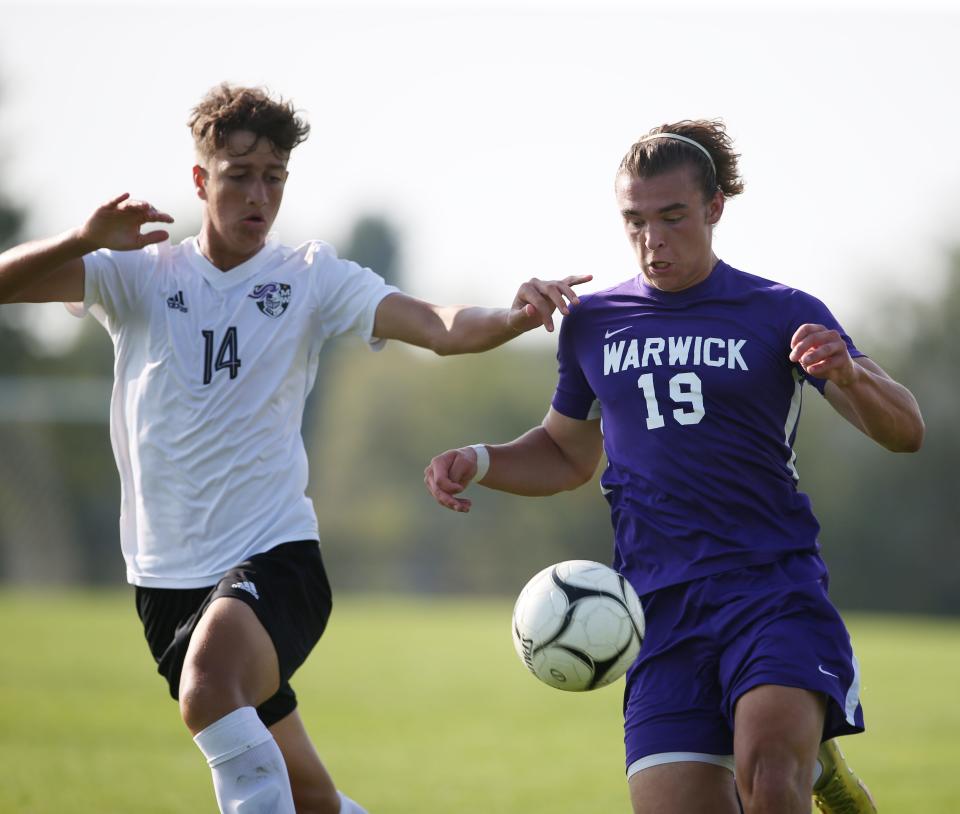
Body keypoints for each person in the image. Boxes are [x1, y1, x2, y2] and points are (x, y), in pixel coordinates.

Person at [0, 83, 590, 814]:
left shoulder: (308, 278)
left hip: (276, 559)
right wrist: (84, 240)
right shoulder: (139, 275)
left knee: (211, 687)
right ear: (199, 180)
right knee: (311, 798)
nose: (258, 195)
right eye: (239, 176)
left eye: (273, 178)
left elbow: (439, 325)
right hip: (163, 578)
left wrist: (511, 314)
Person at [424, 120, 924, 814]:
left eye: (672, 217)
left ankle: (807, 765)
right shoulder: (594, 323)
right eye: (635, 221)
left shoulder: (782, 312)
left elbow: (907, 431)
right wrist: (476, 460)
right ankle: (825, 771)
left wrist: (853, 376)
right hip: (656, 611)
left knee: (771, 783)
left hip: (770, 590)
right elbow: (567, 454)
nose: (652, 239)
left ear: (714, 207)